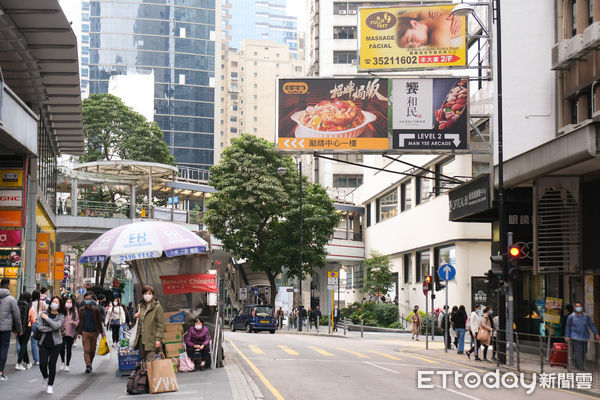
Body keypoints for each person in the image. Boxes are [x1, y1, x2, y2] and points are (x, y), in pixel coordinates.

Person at [37, 296, 65, 394]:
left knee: (52, 364)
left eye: (57, 302)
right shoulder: (43, 314)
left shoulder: (61, 315)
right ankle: (45, 377)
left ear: (59, 305)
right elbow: (39, 327)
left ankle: (50, 385)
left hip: (56, 344)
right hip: (43, 342)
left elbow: (58, 326)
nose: (54, 304)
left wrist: (48, 319)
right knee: (42, 364)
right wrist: (51, 328)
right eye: (53, 301)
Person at [396, 8, 462, 48]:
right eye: (410, 47)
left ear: (415, 23)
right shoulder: (423, 12)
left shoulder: (438, 37)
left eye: (412, 39)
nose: (416, 47)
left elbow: (451, 63)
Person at [132, 286, 165, 361]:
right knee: (142, 361)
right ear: (143, 294)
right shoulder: (140, 306)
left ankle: (150, 373)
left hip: (151, 339)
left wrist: (158, 339)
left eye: (149, 293)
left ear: (153, 295)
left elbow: (161, 325)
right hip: (141, 339)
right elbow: (137, 324)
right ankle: (145, 372)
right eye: (145, 293)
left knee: (150, 361)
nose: (147, 295)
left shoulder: (157, 307)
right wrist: (135, 317)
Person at [565, 301, 600, 370]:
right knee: (578, 351)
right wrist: (567, 336)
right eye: (577, 306)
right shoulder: (571, 317)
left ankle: (577, 362)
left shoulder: (586, 316)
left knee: (584, 351)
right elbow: (567, 327)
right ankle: (580, 365)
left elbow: (591, 325)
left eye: (579, 306)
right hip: (575, 337)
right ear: (574, 308)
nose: (578, 308)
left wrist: (596, 333)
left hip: (584, 336)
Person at [0, 279, 22, 380]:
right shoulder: (11, 299)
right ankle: (0, 372)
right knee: (4, 349)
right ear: (8, 286)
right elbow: (16, 316)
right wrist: (18, 329)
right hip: (5, 329)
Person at [77, 292, 104, 373]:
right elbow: (80, 321)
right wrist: (79, 332)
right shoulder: (81, 310)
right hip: (85, 332)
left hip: (94, 332)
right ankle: (88, 365)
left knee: (92, 350)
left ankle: (90, 362)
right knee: (86, 349)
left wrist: (102, 332)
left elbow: (99, 321)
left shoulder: (96, 310)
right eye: (86, 299)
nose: (88, 301)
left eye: (89, 299)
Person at [16, 292, 34, 370]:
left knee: (22, 344)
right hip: (27, 327)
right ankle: (18, 363)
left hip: (18, 327)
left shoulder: (17, 305)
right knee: (24, 345)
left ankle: (27, 362)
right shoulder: (30, 307)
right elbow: (33, 319)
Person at [59, 296, 79, 372]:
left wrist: (73, 322)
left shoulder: (74, 311)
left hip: (71, 332)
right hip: (62, 332)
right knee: (61, 347)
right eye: (67, 302)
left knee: (69, 348)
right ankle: (63, 362)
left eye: (70, 302)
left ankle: (67, 364)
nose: (69, 303)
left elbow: (77, 322)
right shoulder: (61, 311)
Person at [30, 290, 47, 366]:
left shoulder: (31, 304)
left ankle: (36, 360)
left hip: (33, 323)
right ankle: (42, 358)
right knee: (42, 341)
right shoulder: (43, 303)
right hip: (41, 323)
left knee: (34, 342)